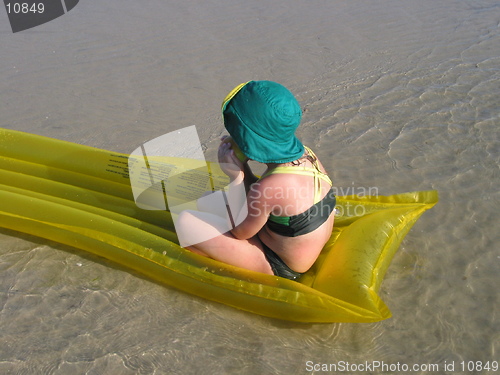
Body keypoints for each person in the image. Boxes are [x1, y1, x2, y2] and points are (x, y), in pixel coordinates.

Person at [176, 81, 335, 280]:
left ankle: (209, 260)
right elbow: (267, 198)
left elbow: (241, 232)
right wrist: (244, 168)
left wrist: (235, 177)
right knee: (206, 200)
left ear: (249, 139)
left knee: (185, 221)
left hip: (279, 265)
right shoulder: (307, 155)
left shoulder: (269, 187)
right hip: (294, 243)